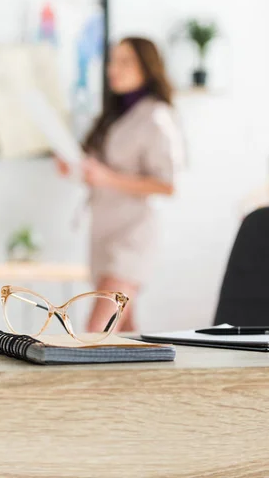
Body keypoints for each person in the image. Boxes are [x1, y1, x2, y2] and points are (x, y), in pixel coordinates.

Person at [56, 37, 182, 332]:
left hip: (132, 239)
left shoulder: (157, 116)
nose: (114, 68)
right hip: (104, 233)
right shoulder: (114, 116)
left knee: (94, 334)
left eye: (125, 61)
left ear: (147, 68)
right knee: (126, 337)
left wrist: (106, 177)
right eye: (113, 61)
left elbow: (168, 184)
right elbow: (97, 171)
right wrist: (73, 168)